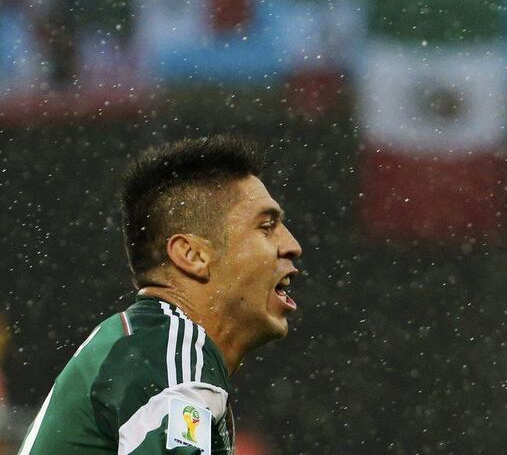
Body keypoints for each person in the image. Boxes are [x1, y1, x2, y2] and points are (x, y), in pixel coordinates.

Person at [18, 135, 303, 454]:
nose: (292, 245)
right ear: (192, 255)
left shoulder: (146, 347)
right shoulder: (169, 354)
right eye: (266, 227)